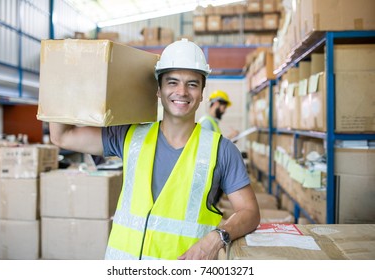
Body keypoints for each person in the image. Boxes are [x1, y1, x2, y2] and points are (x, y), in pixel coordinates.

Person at [49, 38, 260, 260]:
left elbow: (250, 212)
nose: (182, 91)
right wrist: (62, 75)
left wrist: (216, 238)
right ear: (158, 90)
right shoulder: (129, 135)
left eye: (192, 84)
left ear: (201, 93)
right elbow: (62, 135)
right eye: (172, 82)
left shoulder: (222, 150)